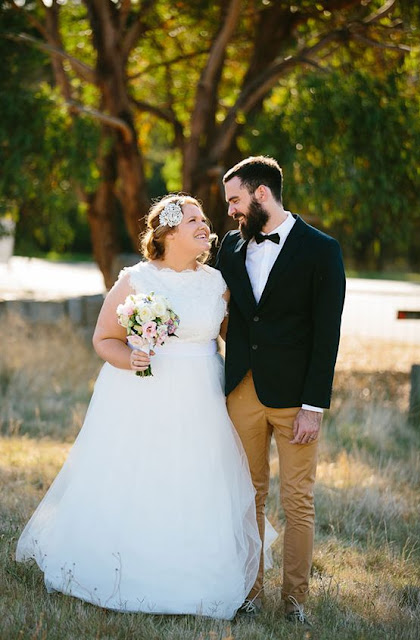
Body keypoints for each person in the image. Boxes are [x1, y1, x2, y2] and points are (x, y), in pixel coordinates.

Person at [16, 194, 262, 620]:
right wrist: (129, 358)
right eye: (193, 220)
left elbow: (236, 341)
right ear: (168, 232)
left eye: (205, 219)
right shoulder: (135, 280)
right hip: (141, 396)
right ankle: (124, 569)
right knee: (141, 476)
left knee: (198, 481)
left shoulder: (216, 283)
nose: (205, 225)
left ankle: (198, 575)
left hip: (202, 398)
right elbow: (103, 339)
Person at [216, 156, 346, 624]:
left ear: (261, 194)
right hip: (242, 393)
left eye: (235, 199)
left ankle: (295, 602)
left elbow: (326, 334)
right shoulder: (229, 248)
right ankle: (247, 592)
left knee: (297, 499)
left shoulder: (321, 250)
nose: (230, 210)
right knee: (246, 495)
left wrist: (314, 407)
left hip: (296, 400)